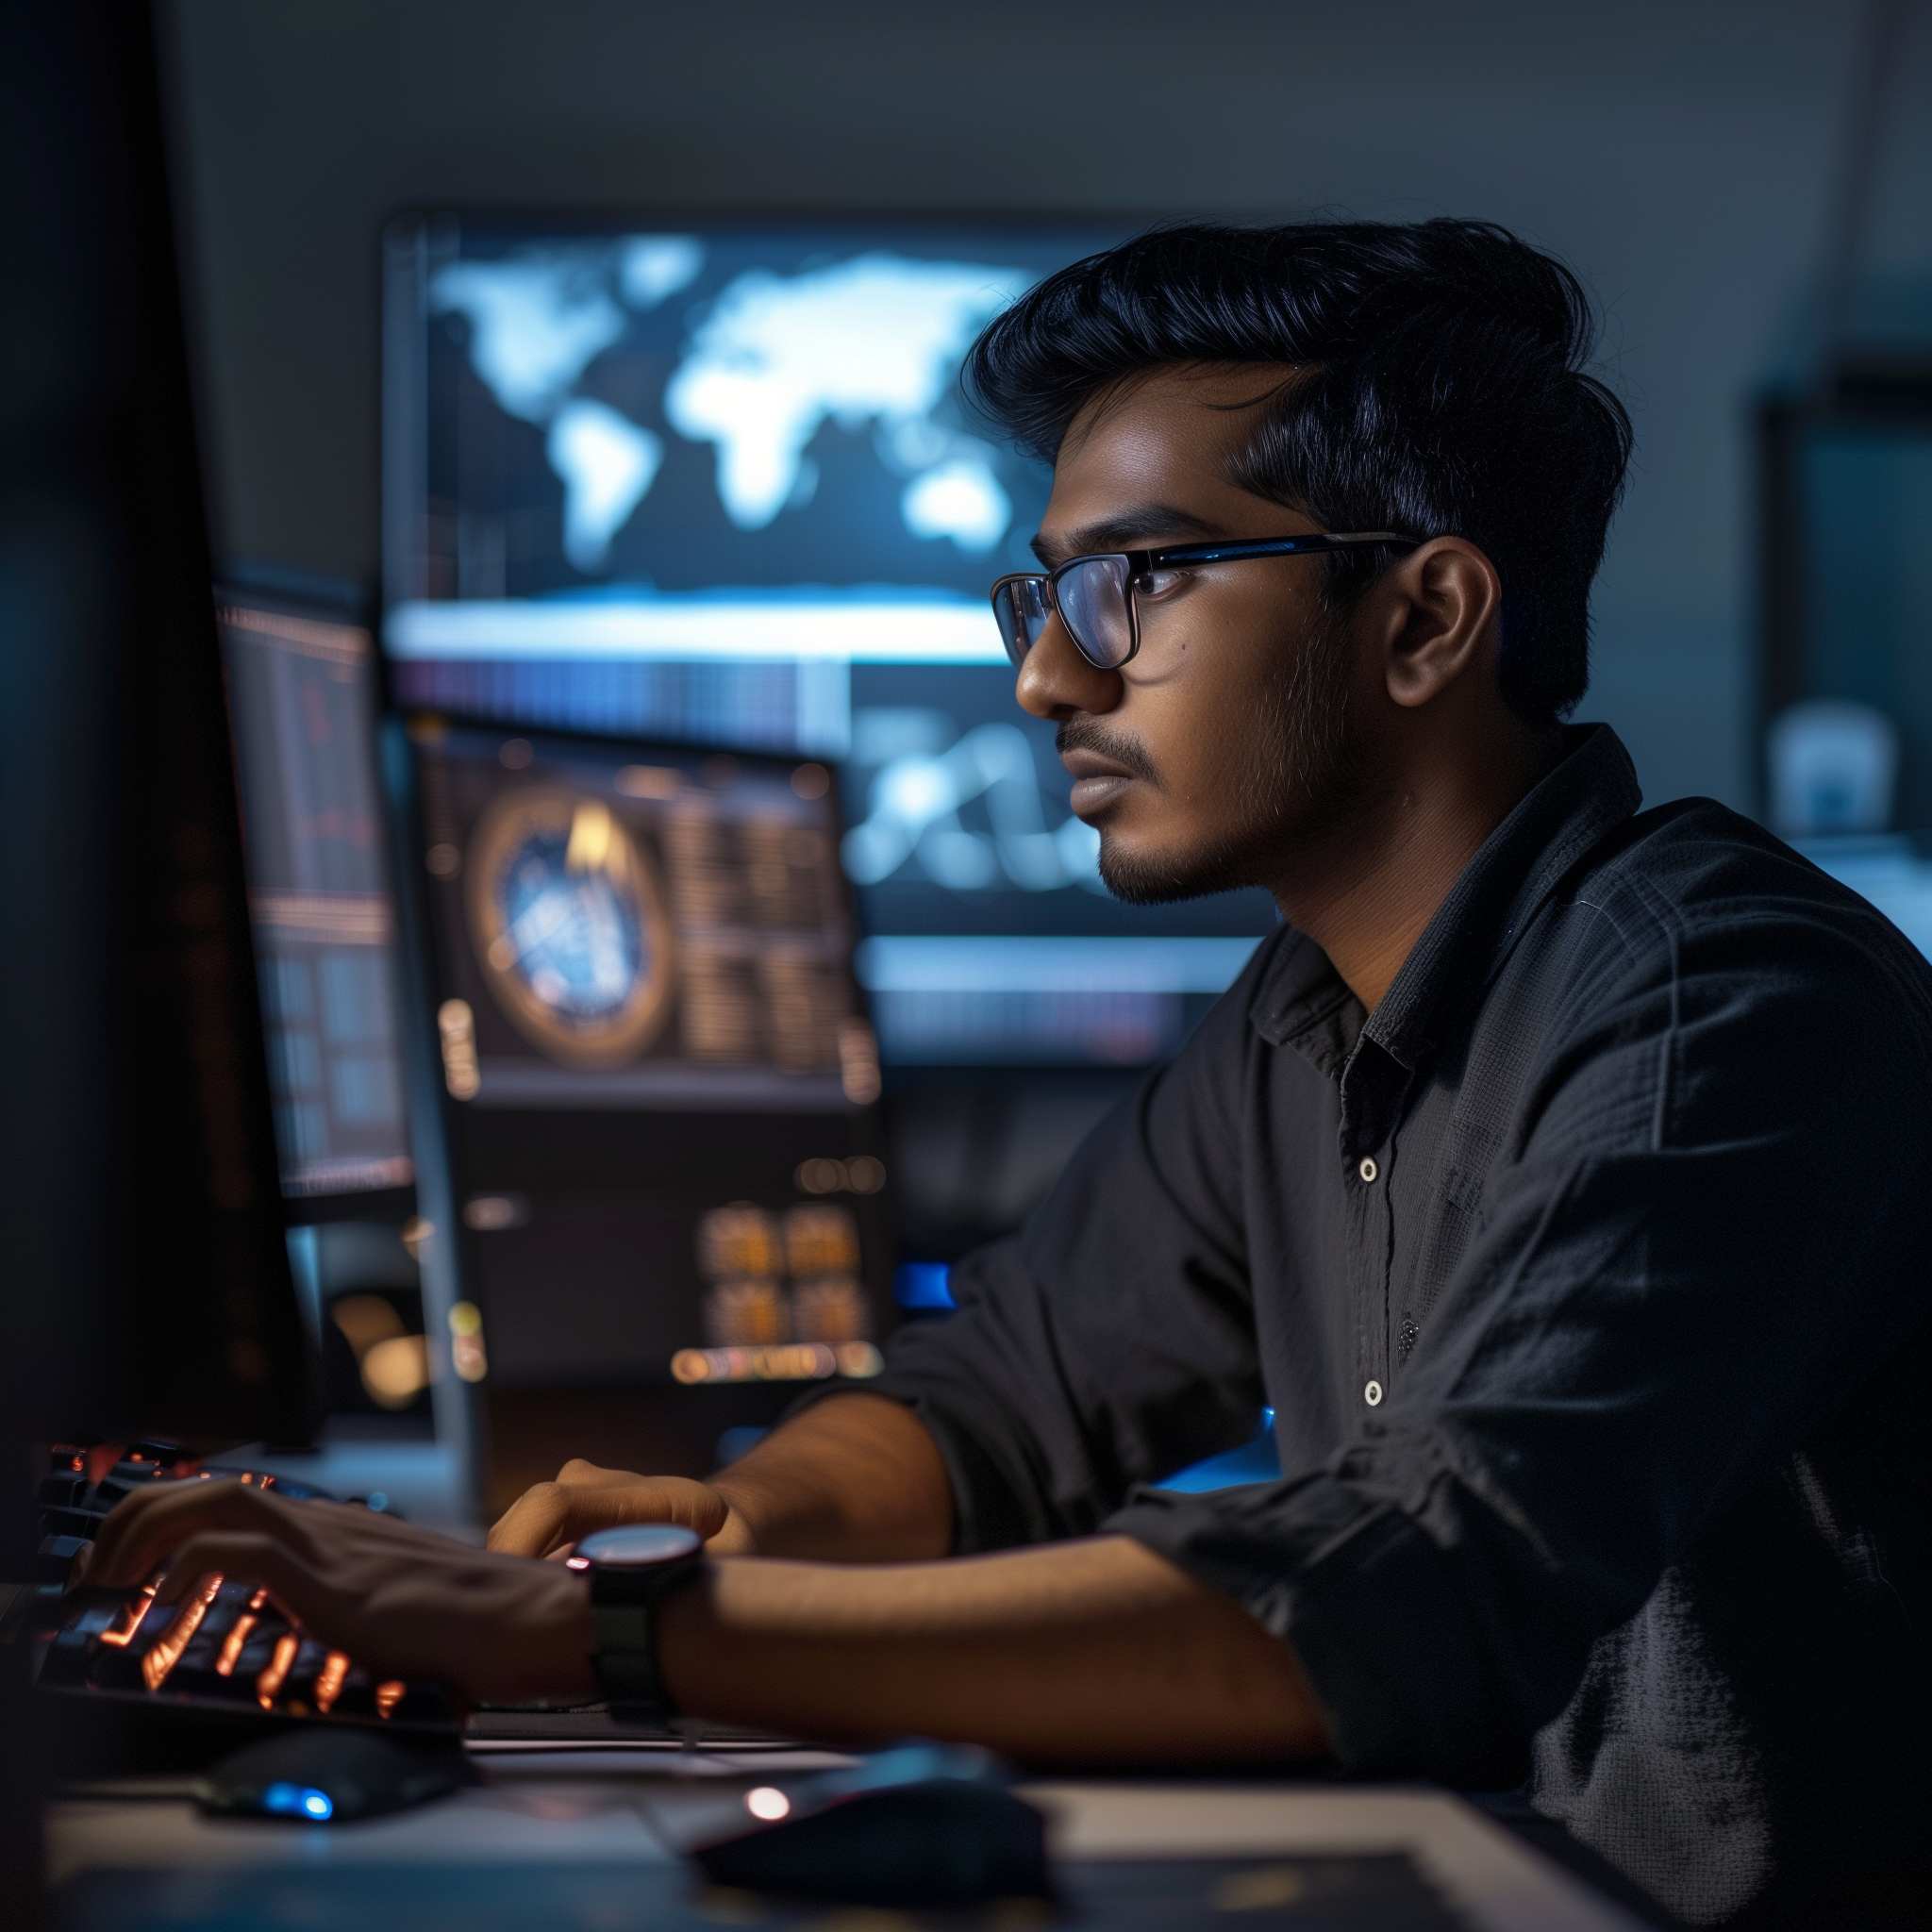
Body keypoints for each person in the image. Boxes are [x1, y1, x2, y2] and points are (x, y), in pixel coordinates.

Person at [88, 222, 1927, 1929]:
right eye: (1038, 599)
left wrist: (601, 1630)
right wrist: (734, 1526)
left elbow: (1411, 1591)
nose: (1047, 679)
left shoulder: (1719, 1009)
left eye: (1131, 583)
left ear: (1426, 621)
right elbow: (1000, 1398)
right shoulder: (1302, 1014)